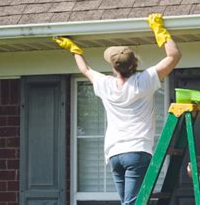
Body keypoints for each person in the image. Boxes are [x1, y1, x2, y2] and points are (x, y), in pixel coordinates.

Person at [54, 13, 181, 205]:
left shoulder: (106, 84)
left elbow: (85, 70)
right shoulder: (144, 80)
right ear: (134, 64)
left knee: (128, 202)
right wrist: (159, 30)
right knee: (131, 204)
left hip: (114, 154)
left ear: (114, 68)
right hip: (137, 151)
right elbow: (174, 55)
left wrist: (75, 49)